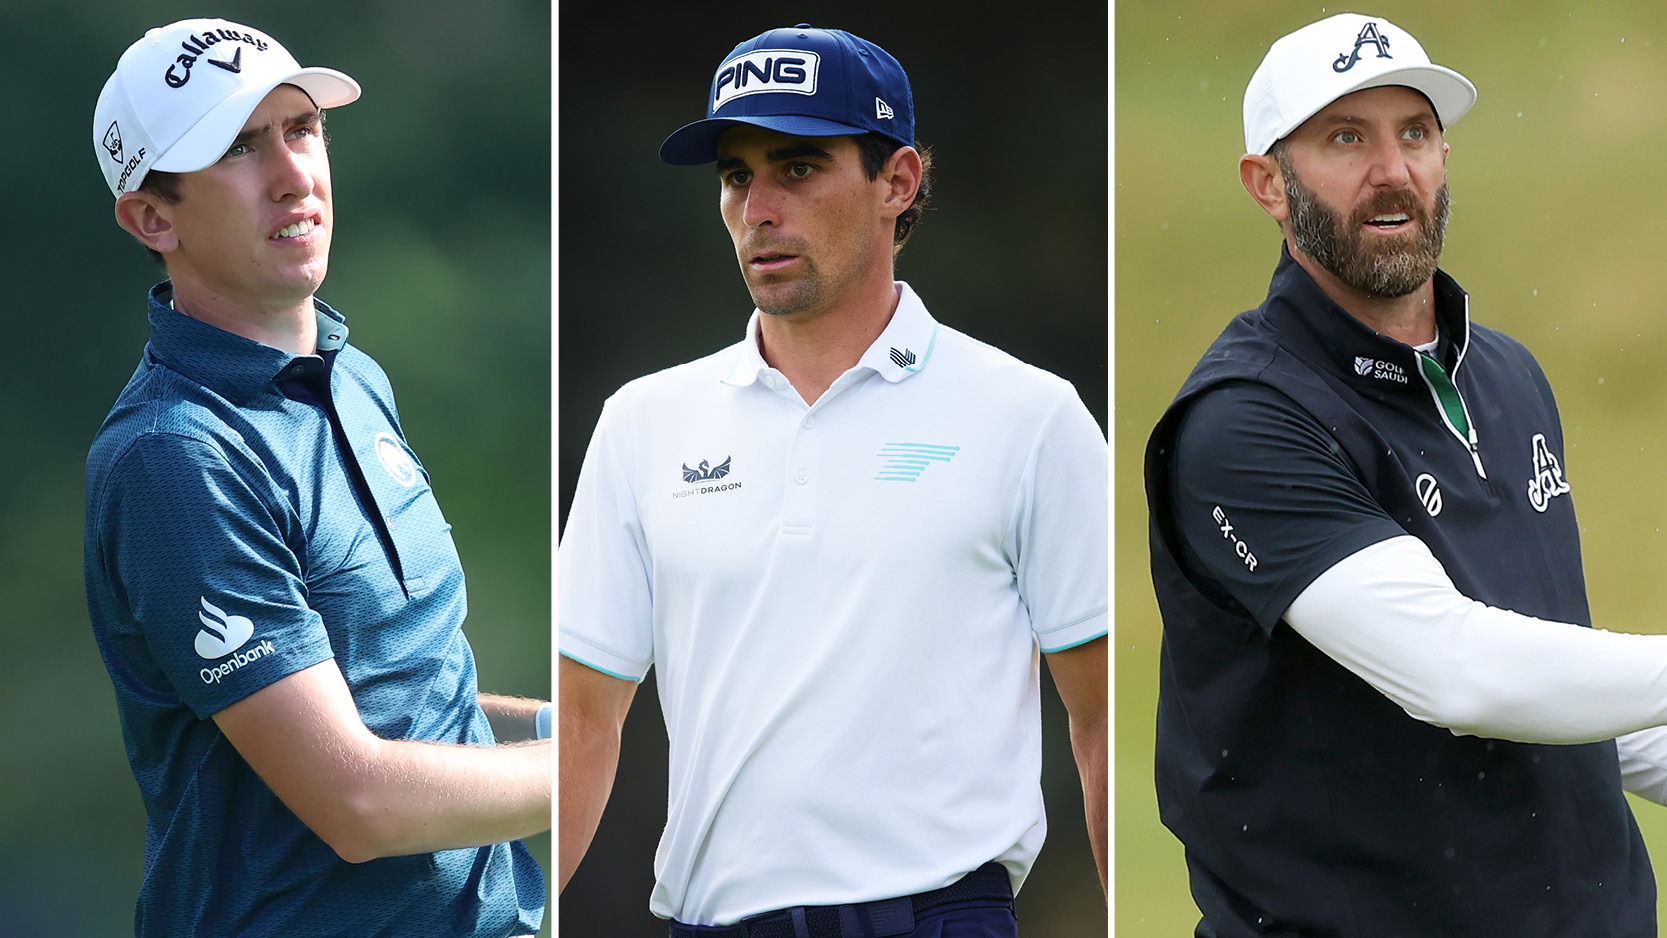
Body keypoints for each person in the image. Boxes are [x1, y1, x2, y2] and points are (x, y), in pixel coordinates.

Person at [558, 23, 1108, 937]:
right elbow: (583, 726)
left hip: (940, 915)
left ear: (897, 182)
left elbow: (1101, 725)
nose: (757, 207)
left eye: (799, 168)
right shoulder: (642, 422)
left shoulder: (1029, 415)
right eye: (736, 176)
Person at [1143, 11, 1667, 935]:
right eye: (1346, 138)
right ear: (1267, 183)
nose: (1393, 171)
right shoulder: (1243, 423)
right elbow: (1461, 675)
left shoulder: (1504, 376)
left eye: (1414, 133)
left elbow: (1559, 690)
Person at [82, 18, 550, 937]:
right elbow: (361, 803)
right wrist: (589, 760)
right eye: (239, 148)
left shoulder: (351, 375)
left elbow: (408, 698)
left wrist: (550, 725)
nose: (294, 173)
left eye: (302, 129)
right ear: (152, 217)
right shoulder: (175, 458)